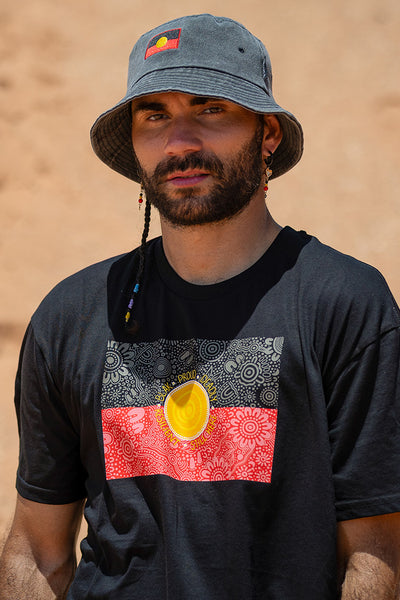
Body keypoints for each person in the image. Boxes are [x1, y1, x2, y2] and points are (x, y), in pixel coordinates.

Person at [0, 13, 399, 600]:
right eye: (154, 114)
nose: (179, 141)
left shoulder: (345, 305)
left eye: (210, 108)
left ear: (268, 135)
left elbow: (375, 556)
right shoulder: (71, 315)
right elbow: (37, 552)